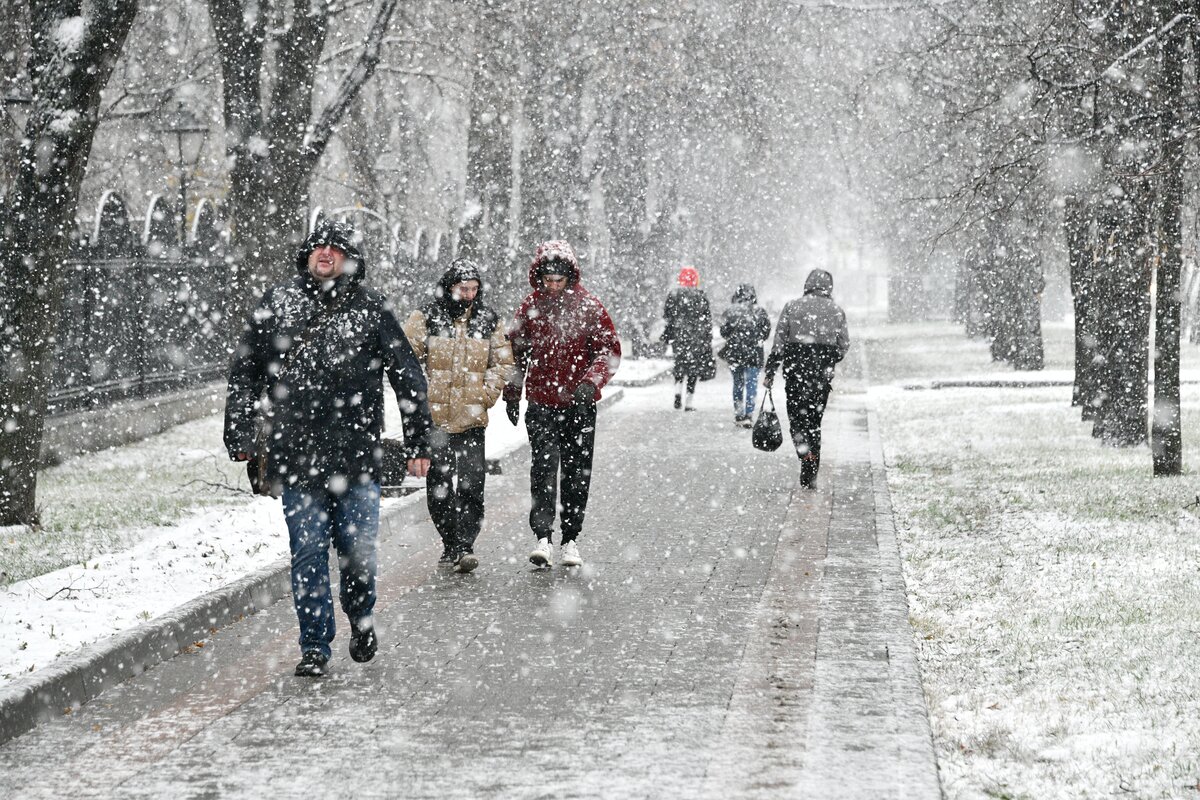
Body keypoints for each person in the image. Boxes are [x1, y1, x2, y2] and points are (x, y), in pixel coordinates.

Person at [224, 219, 432, 678]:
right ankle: (314, 645)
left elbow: (407, 377)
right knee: (308, 552)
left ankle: (361, 619)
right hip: (296, 456)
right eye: (318, 246)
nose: (325, 253)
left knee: (358, 552)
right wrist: (239, 434)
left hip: (357, 457)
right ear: (307, 254)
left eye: (335, 248)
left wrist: (419, 439)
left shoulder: (371, 308)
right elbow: (244, 370)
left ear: (349, 259)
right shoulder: (278, 304)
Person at [503, 240, 621, 568]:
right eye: (548, 279)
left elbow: (608, 351)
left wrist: (590, 382)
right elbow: (516, 356)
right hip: (542, 401)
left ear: (570, 276)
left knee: (575, 472)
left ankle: (571, 538)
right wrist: (512, 394)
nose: (553, 285)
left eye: (559, 279)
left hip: (578, 405)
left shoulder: (588, 307)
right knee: (543, 468)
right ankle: (543, 536)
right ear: (539, 277)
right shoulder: (530, 307)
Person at [402, 258, 515, 573]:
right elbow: (407, 363)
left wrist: (485, 395)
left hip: (471, 419)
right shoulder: (426, 317)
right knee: (439, 487)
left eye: (474, 289)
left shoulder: (488, 320)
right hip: (436, 420)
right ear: (449, 286)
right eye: (463, 288)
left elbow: (503, 362)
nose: (468, 294)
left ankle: (465, 544)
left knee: (471, 485)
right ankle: (449, 543)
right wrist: (423, 398)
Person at [763, 269, 850, 490]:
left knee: (796, 421)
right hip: (821, 378)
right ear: (829, 286)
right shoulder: (837, 311)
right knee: (814, 422)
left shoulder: (792, 307)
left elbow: (779, 341)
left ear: (807, 284)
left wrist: (771, 370)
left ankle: (805, 455)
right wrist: (828, 359)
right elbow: (843, 345)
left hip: (795, 374)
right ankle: (812, 467)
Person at [661, 265, 715, 411]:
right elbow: (707, 320)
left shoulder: (674, 295)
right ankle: (689, 402)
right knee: (693, 368)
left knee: (680, 364)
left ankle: (677, 391)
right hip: (696, 337)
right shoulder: (701, 296)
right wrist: (706, 336)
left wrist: (673, 330)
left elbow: (667, 316)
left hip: (679, 336)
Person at [719, 283, 771, 428]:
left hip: (735, 353)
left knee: (738, 383)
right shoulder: (760, 312)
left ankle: (739, 414)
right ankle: (749, 414)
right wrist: (755, 338)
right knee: (752, 384)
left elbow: (724, 332)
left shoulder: (731, 312)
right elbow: (766, 333)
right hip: (754, 353)